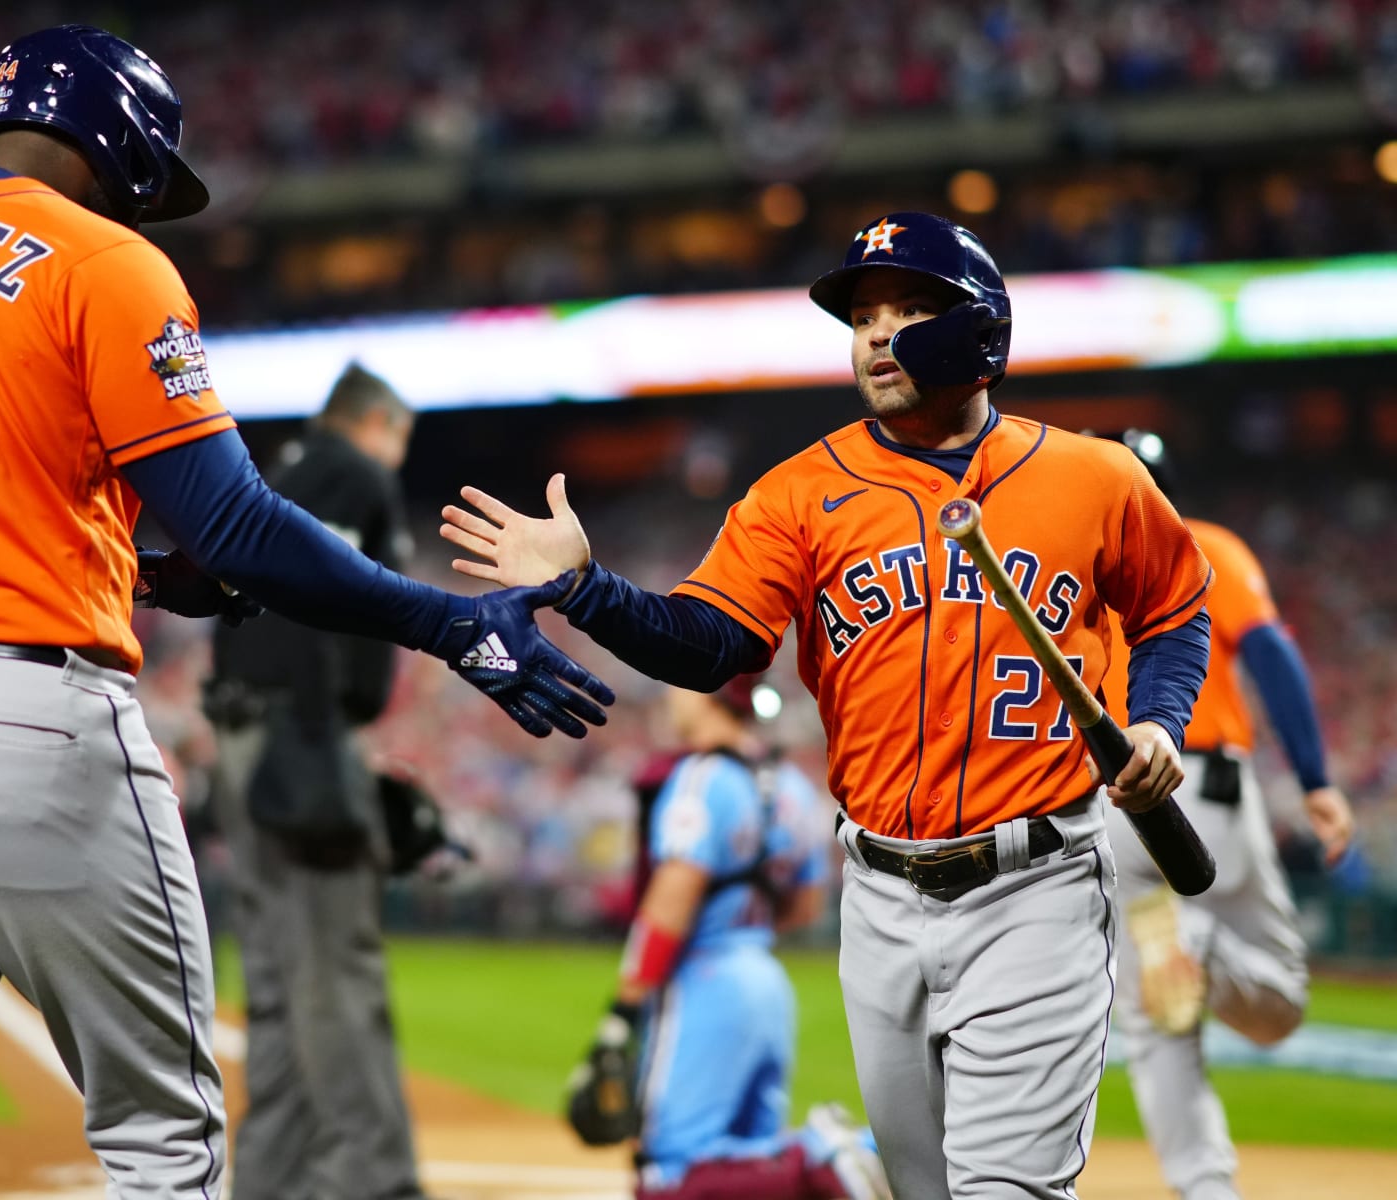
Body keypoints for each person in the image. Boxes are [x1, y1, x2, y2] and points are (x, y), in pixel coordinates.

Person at [0, 24, 610, 1200]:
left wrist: (153, 572)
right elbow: (240, 522)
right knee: (166, 1140)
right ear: (121, 148)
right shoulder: (99, 258)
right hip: (18, 726)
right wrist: (446, 621)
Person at [441, 212, 1214, 1199]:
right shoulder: (800, 493)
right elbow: (708, 643)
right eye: (862, 317)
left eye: (909, 310)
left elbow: (1173, 609)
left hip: (1039, 886)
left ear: (980, 328)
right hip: (882, 897)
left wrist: (1156, 719)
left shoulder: (1093, 476)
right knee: (918, 1189)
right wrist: (589, 588)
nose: (876, 334)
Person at [1095, 429, 1355, 1200]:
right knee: (1278, 1003)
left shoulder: (1075, 564)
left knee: (1159, 1019)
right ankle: (1200, 948)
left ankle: (1205, 1186)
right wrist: (1315, 778)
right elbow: (1270, 654)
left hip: (1109, 803)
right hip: (1202, 790)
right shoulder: (1201, 544)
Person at [204, 363, 432, 1200]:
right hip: (296, 734)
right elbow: (338, 606)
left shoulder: (279, 471)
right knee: (338, 970)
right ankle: (376, 1182)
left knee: (274, 980)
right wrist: (328, 733)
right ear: (377, 424)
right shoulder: (358, 472)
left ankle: (272, 1180)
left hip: (240, 735)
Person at [573, 675, 892, 1200]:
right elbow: (803, 904)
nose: (671, 696)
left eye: (677, 684)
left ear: (706, 692)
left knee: (665, 1175)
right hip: (765, 978)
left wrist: (620, 1016)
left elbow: (669, 903)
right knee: (747, 1167)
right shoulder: (789, 782)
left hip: (705, 976)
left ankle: (829, 1161)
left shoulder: (702, 776)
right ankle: (827, 1160)